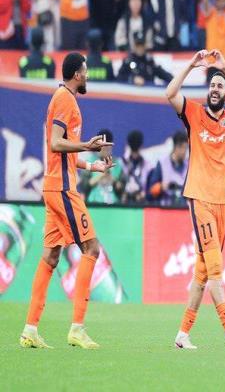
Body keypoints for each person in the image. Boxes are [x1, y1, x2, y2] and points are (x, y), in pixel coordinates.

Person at [19, 52, 114, 349]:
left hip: (54, 186)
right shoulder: (64, 99)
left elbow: (64, 155)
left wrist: (92, 165)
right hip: (62, 189)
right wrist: (86, 145)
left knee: (50, 257)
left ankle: (30, 330)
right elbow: (56, 143)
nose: (87, 76)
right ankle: (77, 328)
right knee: (91, 248)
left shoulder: (65, 98)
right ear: (76, 74)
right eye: (85, 71)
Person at [166, 49, 225, 350]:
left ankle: (182, 334)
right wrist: (191, 65)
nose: (215, 89)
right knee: (214, 267)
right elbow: (170, 93)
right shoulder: (193, 113)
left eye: (220, 86)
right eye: (212, 85)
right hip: (199, 197)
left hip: (223, 200)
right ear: (207, 90)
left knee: (201, 273)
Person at [80, 129, 124, 204]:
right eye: (103, 146)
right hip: (93, 204)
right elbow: (84, 186)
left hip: (114, 205)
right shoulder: (90, 161)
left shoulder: (117, 164)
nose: (106, 148)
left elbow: (121, 189)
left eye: (108, 146)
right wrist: (102, 175)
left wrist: (112, 179)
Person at [147, 130, 189, 207]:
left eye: (185, 148)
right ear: (175, 147)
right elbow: (150, 193)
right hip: (165, 209)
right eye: (181, 147)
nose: (184, 152)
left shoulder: (188, 166)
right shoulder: (162, 164)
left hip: (184, 209)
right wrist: (162, 187)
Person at [120, 130, 150, 204]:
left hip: (138, 200)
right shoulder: (123, 163)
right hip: (127, 200)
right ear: (142, 145)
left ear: (128, 144)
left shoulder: (121, 163)